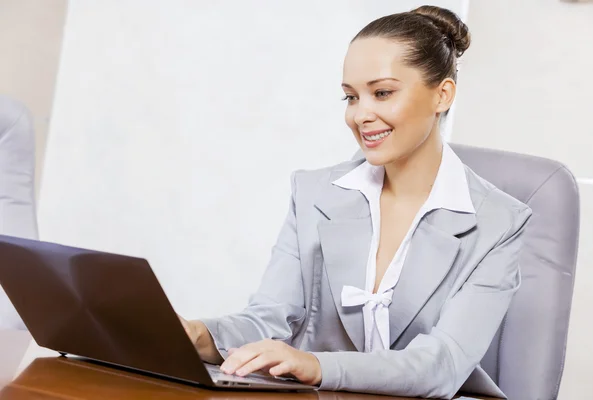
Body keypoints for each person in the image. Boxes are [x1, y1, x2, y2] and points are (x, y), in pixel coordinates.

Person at [180, 5, 532, 399]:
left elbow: (443, 363)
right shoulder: (314, 192)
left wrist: (317, 366)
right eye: (350, 97)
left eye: (382, 93)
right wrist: (199, 335)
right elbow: (271, 319)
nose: (360, 115)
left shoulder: (500, 222)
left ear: (442, 94)